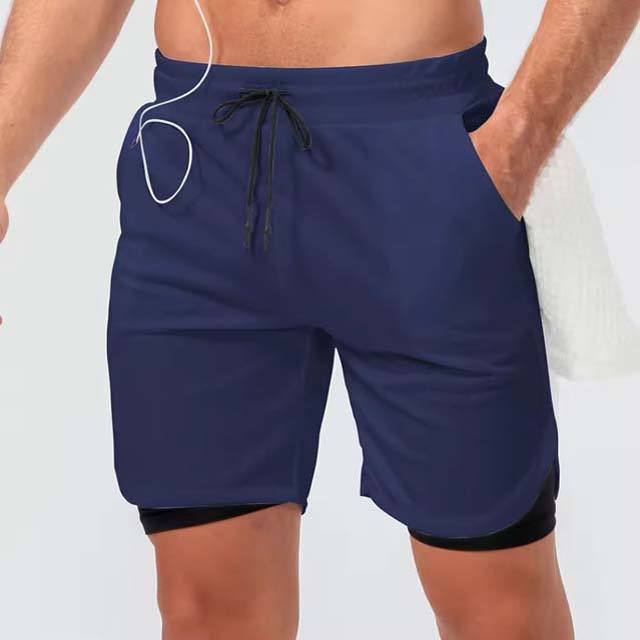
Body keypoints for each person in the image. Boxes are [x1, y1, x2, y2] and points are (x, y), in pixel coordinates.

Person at [1, 1, 638, 638]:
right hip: (198, 171)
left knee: (499, 607)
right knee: (208, 612)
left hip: (418, 159)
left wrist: (519, 139)